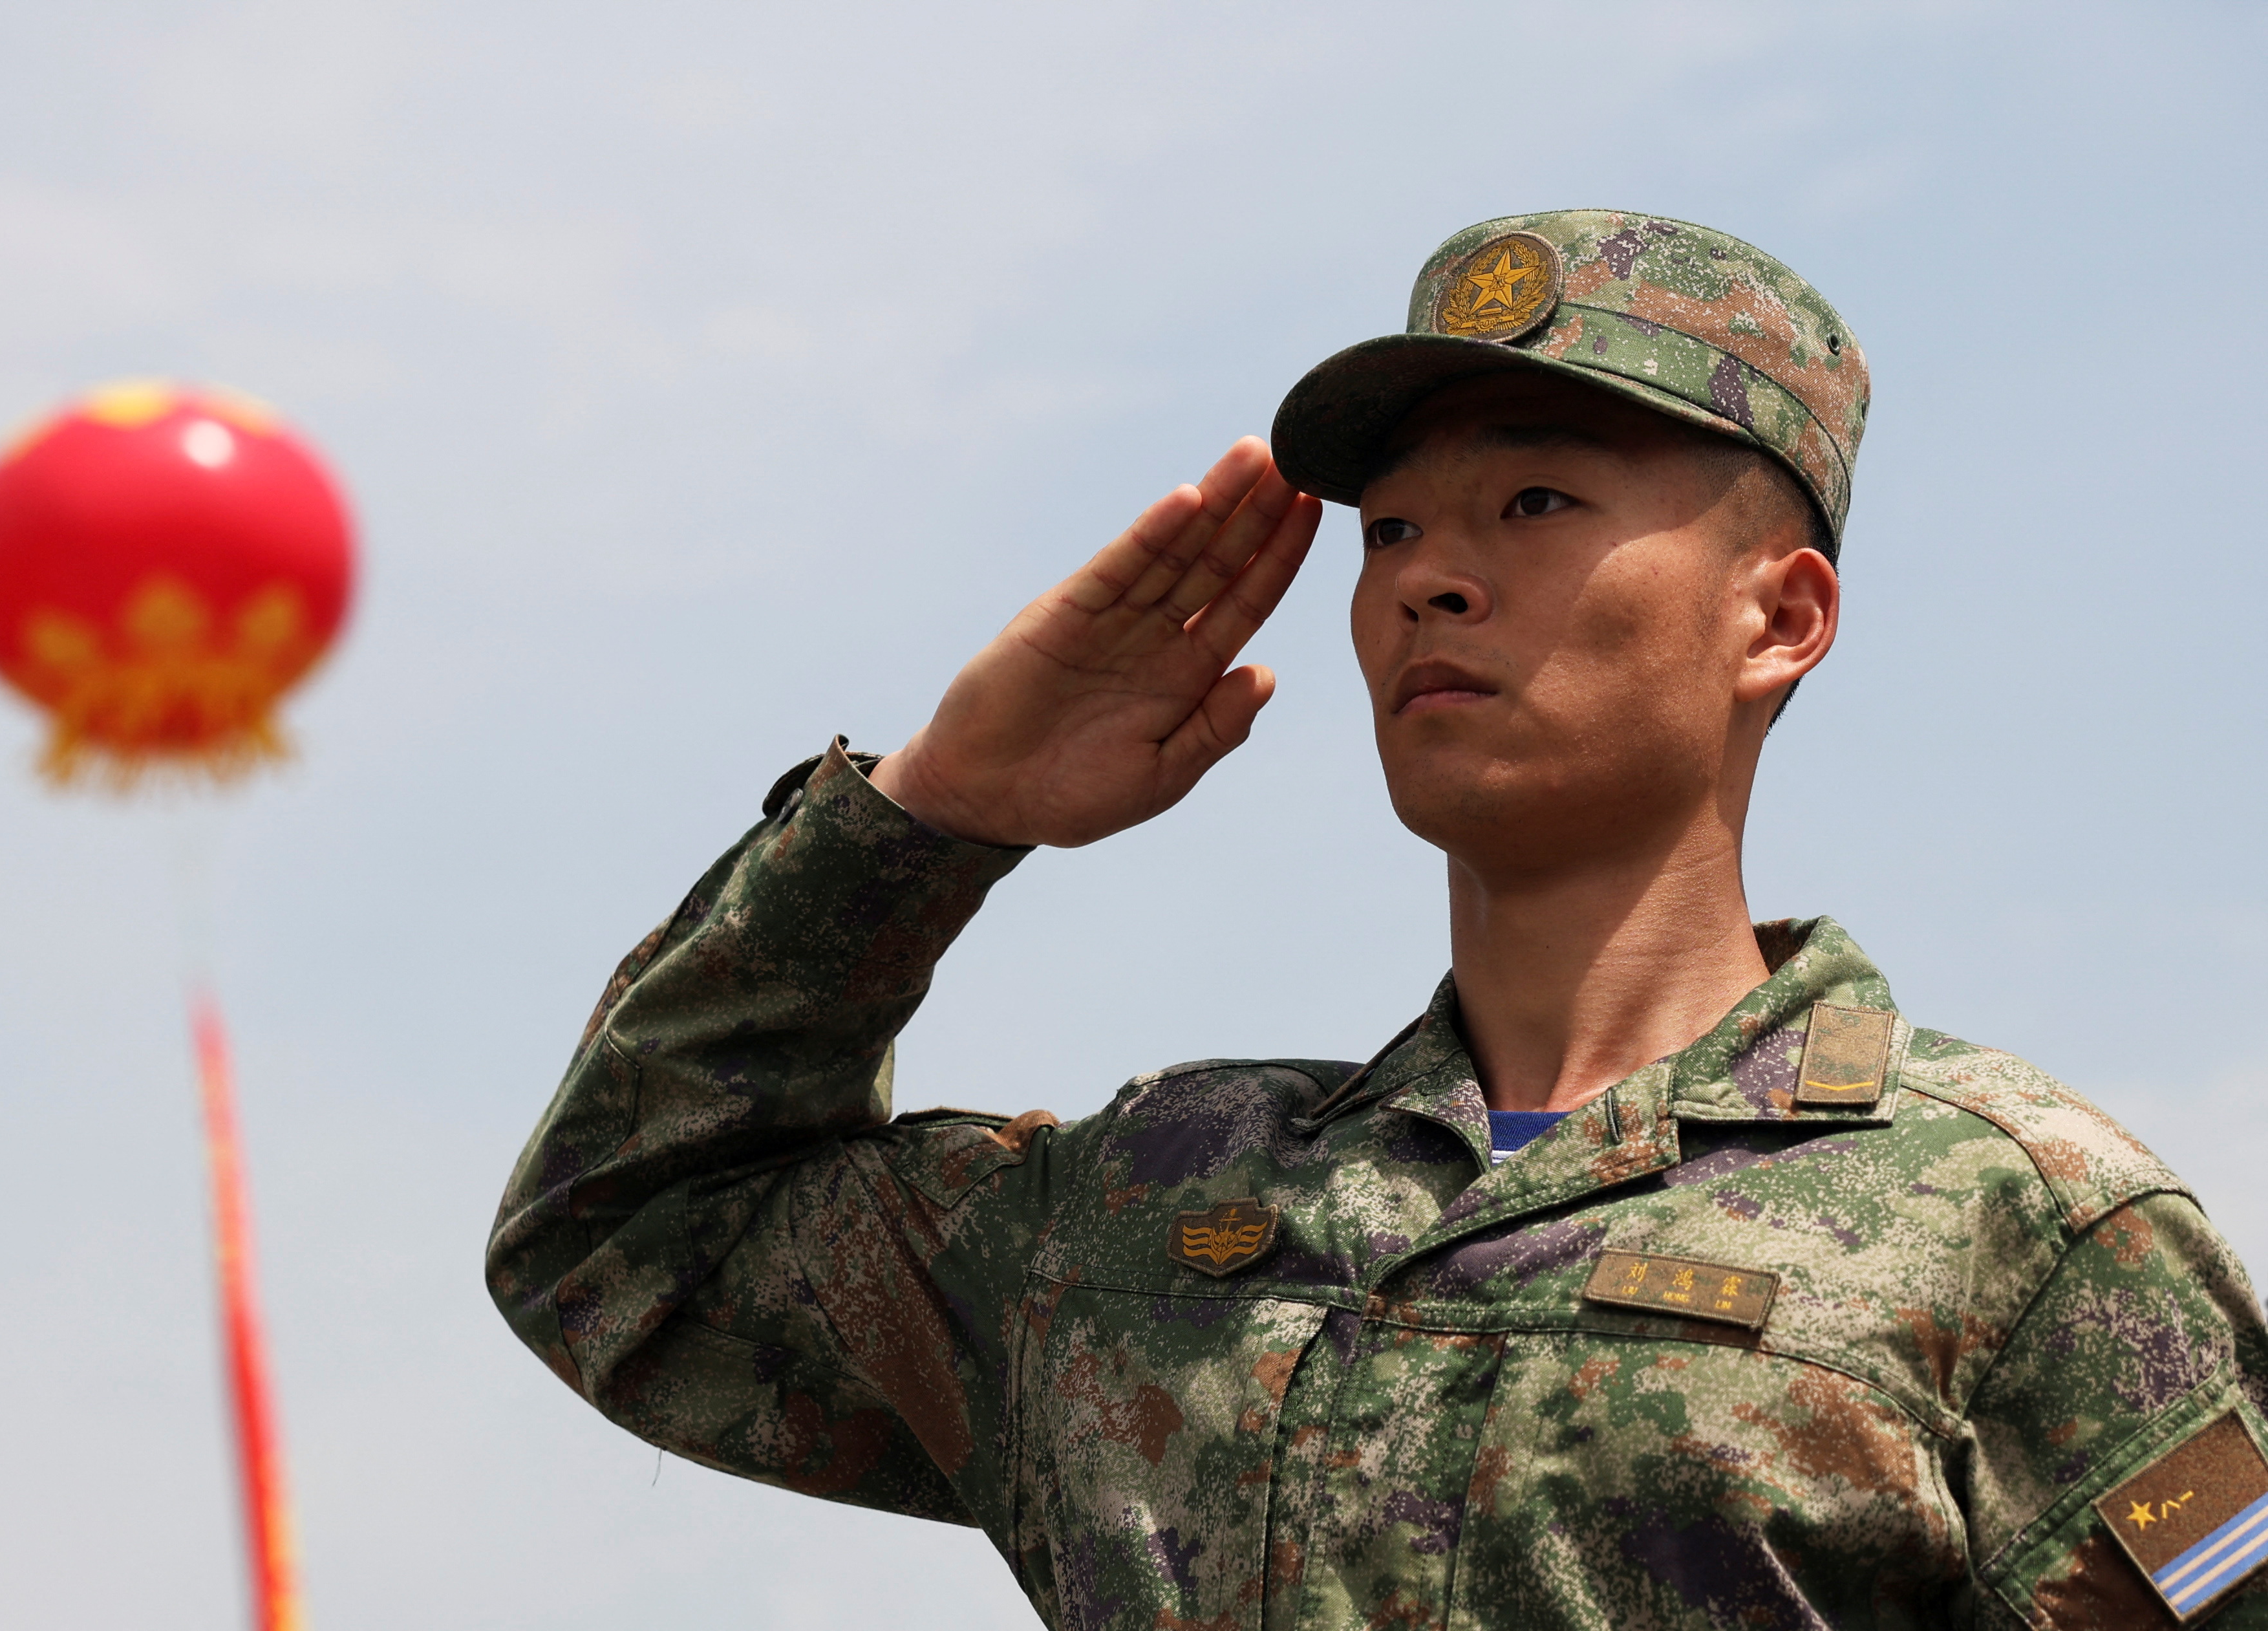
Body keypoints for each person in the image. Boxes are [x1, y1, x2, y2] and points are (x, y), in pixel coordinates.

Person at [486, 210, 2268, 1628]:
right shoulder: (1146, 1209)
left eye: (1535, 501)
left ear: (1779, 618)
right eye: (1392, 528)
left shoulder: (2019, 1231)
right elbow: (627, 1241)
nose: (1430, 576)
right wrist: (931, 813)